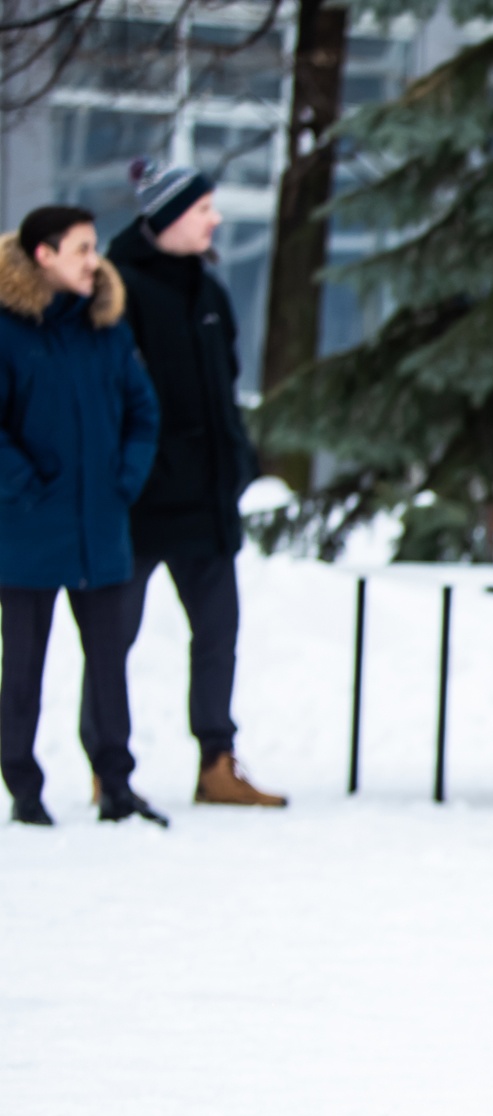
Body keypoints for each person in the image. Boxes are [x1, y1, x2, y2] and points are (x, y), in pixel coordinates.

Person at [104, 160, 283, 808]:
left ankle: (216, 762)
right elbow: (111, 399)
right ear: (170, 216)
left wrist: (236, 465)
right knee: (111, 638)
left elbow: (224, 390)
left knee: (217, 634)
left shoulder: (209, 292)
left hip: (207, 501)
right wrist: (130, 477)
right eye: (203, 209)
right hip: (140, 503)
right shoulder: (117, 288)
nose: (216, 219)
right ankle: (107, 763)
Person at [0, 206, 161, 827]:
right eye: (82, 249)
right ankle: (23, 788)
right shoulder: (9, 331)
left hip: (101, 527)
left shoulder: (106, 328)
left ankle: (115, 784)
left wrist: (124, 481)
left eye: (95, 247)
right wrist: (26, 487)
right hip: (28, 531)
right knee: (23, 668)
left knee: (110, 664)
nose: (95, 261)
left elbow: (143, 412)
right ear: (44, 255)